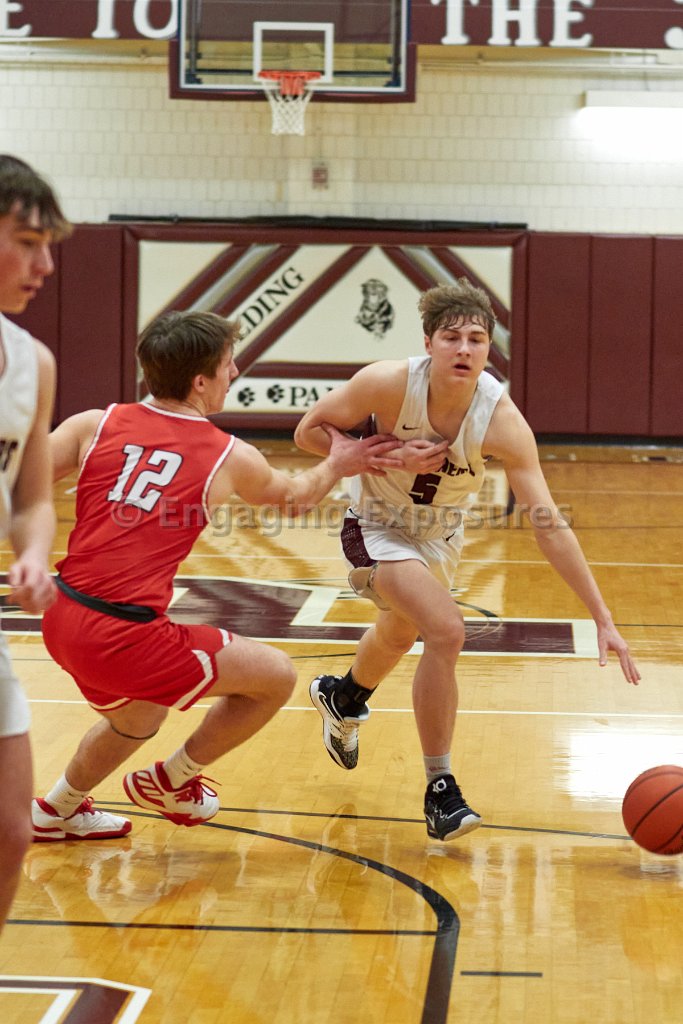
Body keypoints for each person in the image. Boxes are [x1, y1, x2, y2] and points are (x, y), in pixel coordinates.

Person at [33, 309, 402, 841]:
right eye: (228, 363)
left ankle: (55, 811)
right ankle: (172, 781)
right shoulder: (227, 454)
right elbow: (294, 498)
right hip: (125, 635)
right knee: (275, 677)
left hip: (62, 615)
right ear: (200, 381)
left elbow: (17, 481)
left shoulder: (94, 423)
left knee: (137, 718)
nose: (234, 372)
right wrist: (339, 462)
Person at [294, 279, 641, 843]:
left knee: (399, 632)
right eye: (451, 337)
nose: (463, 349)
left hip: (440, 537)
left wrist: (602, 616)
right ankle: (441, 790)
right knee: (446, 629)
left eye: (476, 339)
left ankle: (344, 695)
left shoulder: (501, 420)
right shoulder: (386, 383)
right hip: (375, 525)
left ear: (487, 349)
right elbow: (308, 431)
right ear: (428, 343)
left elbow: (548, 525)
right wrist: (378, 456)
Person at [0, 155, 70, 927]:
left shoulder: (32, 363)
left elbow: (31, 498)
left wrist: (31, 552)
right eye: (27, 243)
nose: (45, 266)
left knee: (10, 833)